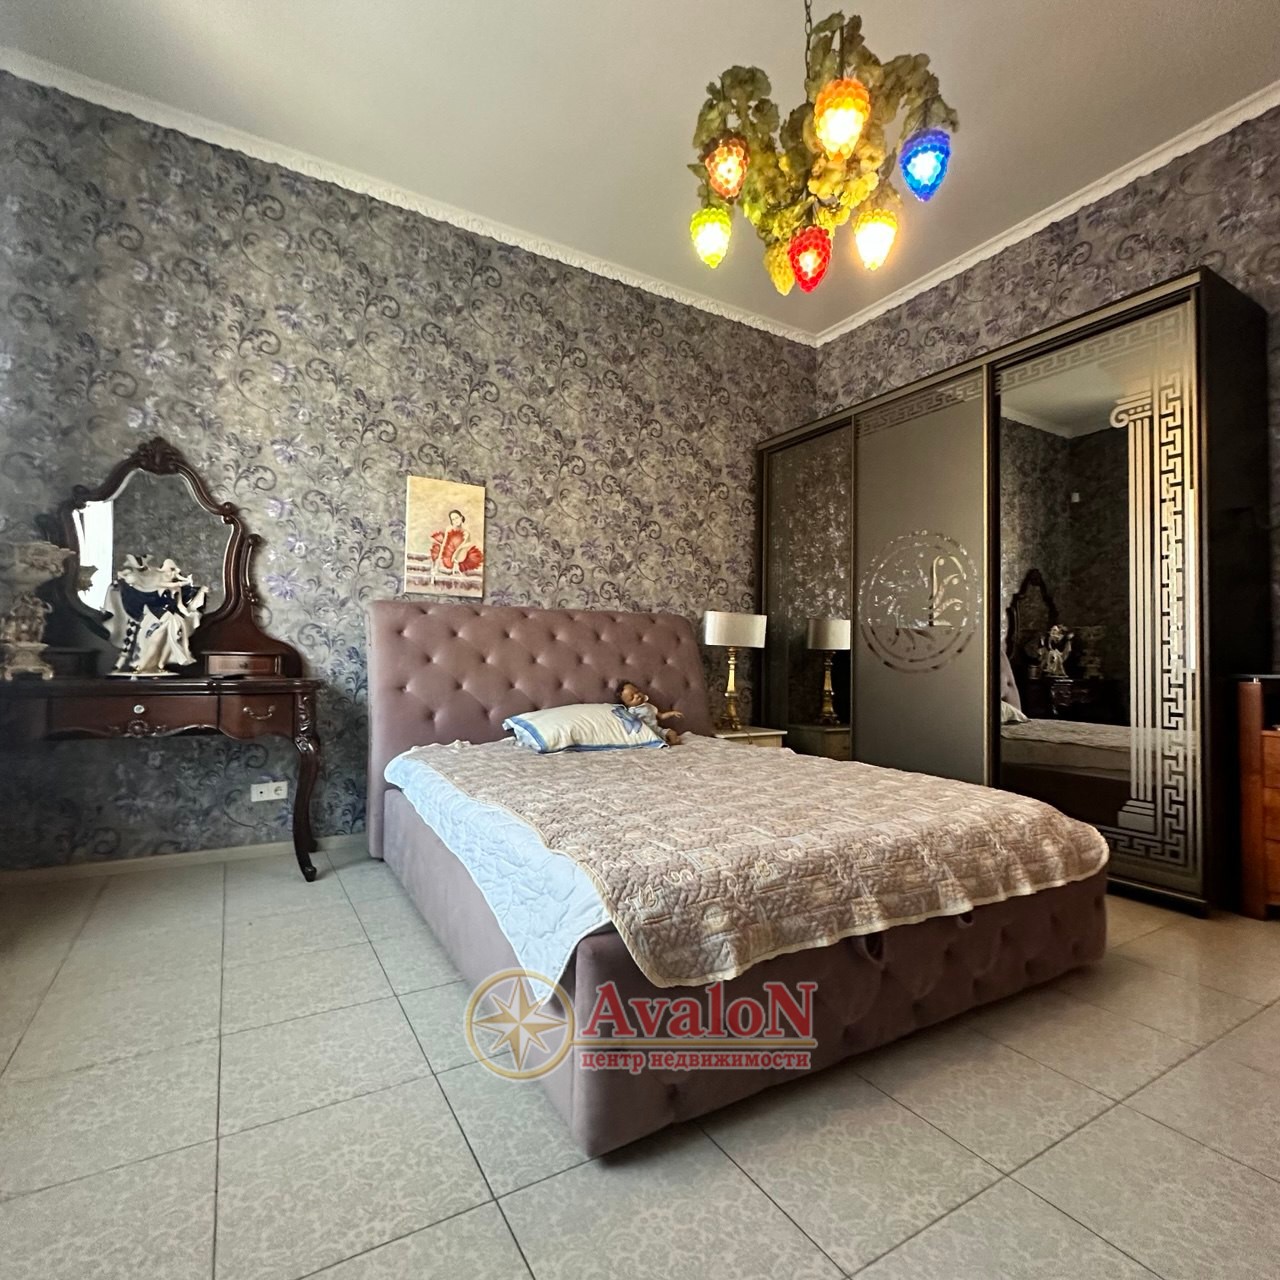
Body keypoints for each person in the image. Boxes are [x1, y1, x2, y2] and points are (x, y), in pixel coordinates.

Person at [429, 509, 483, 584]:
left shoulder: (466, 531)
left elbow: (468, 543)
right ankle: (442, 568)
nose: (455, 521)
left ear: (461, 517)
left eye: (457, 518)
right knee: (442, 547)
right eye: (453, 519)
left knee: (464, 544)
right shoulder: (449, 529)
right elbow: (444, 543)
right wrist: (439, 559)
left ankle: (456, 565)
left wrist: (456, 553)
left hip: (460, 554)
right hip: (449, 551)